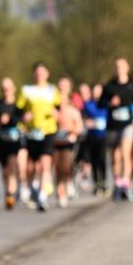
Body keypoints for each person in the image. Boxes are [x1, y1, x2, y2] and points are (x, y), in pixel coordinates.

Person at [17, 62, 60, 212]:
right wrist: (23, 117)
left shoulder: (52, 90)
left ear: (47, 74)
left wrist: (57, 114)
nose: (40, 74)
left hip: (48, 130)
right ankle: (31, 186)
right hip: (31, 131)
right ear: (34, 74)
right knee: (30, 166)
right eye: (37, 72)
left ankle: (42, 195)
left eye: (42, 72)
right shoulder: (26, 90)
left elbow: (59, 108)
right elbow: (17, 111)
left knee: (45, 162)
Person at [99, 57, 133, 202]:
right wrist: (110, 103)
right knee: (115, 157)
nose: (119, 69)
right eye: (117, 66)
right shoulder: (109, 86)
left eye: (122, 66)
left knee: (125, 152)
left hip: (127, 124)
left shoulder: (132, 84)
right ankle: (117, 183)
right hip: (113, 125)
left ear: (127, 67)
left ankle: (126, 183)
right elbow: (100, 104)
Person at [0, 77, 25, 209]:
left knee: (14, 166)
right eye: (4, 89)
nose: (7, 91)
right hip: (3, 141)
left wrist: (23, 123)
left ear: (14, 89)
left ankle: (12, 193)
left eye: (9, 88)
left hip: (18, 141)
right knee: (5, 170)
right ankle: (9, 192)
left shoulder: (19, 105)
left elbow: (25, 119)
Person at [52, 76, 83, 207]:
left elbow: (79, 127)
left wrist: (72, 131)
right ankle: (60, 193)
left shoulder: (73, 109)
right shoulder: (52, 108)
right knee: (57, 168)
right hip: (54, 141)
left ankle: (69, 181)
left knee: (66, 165)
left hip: (68, 142)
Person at [83, 84, 109, 196]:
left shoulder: (106, 104)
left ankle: (103, 182)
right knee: (93, 161)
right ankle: (96, 183)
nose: (96, 93)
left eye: (99, 90)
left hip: (103, 136)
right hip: (92, 136)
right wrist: (87, 122)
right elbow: (83, 118)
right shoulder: (88, 105)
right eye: (94, 90)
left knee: (102, 159)